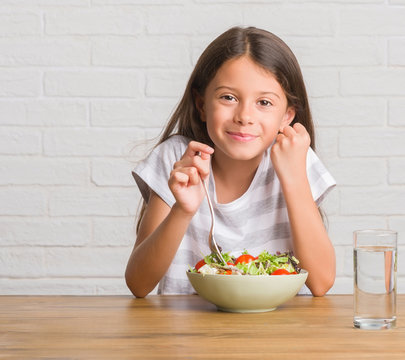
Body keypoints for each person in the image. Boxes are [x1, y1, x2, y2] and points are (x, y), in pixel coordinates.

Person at [125, 26, 336, 298]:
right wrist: (182, 210)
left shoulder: (296, 158)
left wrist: (294, 178)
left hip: (281, 333)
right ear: (201, 105)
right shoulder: (177, 159)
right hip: (189, 335)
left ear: (287, 116)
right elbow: (138, 283)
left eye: (264, 102)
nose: (244, 116)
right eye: (228, 97)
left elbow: (322, 282)